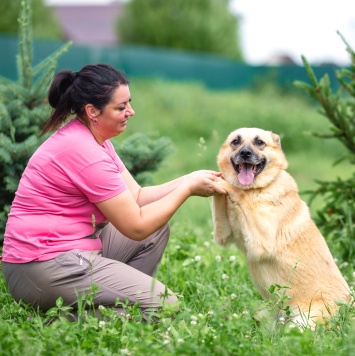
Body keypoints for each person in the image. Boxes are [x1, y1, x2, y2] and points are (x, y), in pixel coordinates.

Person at [1, 63, 225, 319]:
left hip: (67, 254)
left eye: (129, 103)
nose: (131, 111)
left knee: (156, 231)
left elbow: (137, 197)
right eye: (121, 107)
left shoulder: (94, 140)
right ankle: (59, 320)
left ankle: (126, 302)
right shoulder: (84, 152)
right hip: (41, 268)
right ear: (92, 111)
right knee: (166, 305)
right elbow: (135, 226)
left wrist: (189, 177)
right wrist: (187, 189)